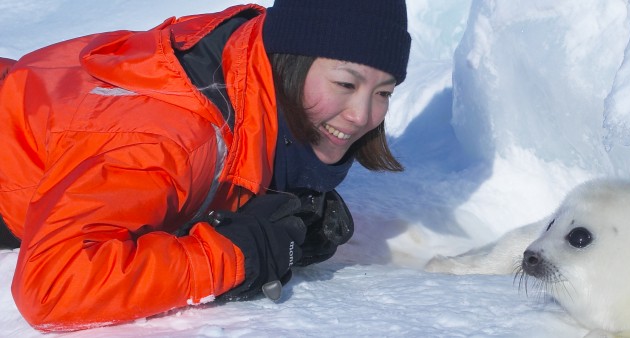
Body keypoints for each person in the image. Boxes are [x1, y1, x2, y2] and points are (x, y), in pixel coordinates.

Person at [0, 0, 410, 332]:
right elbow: (52, 286)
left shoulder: (245, 66)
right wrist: (236, 255)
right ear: (291, 60)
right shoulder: (172, 139)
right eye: (345, 84)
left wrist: (279, 194)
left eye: (384, 92)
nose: (362, 115)